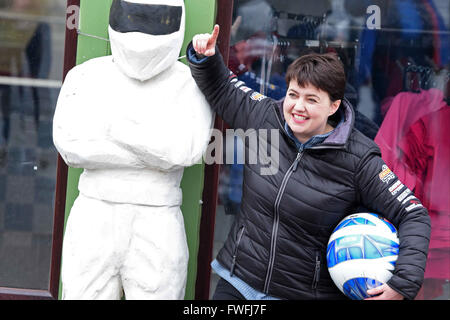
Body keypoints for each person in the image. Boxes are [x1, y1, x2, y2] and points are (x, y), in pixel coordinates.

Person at [187, 25, 431, 300]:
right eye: (293, 94)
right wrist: (206, 57)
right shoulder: (265, 117)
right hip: (238, 280)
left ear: (334, 106)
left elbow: (413, 214)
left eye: (312, 99)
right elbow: (222, 88)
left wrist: (402, 284)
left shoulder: (359, 158)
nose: (298, 107)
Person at [53, 0, 213, 299]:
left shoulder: (189, 83)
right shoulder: (86, 76)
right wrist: (152, 146)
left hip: (157, 221)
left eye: (155, 18)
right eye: (133, 15)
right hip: (95, 214)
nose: (141, 33)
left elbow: (184, 150)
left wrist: (113, 129)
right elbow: (72, 147)